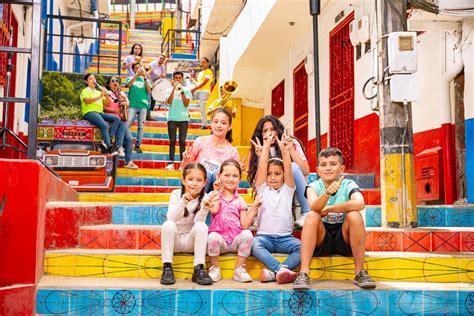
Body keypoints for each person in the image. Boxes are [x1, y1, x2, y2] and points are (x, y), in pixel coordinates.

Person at [292, 147, 376, 290]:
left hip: (344, 237)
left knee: (354, 215)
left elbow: (360, 203)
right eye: (323, 165)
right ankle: (304, 273)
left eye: (333, 164)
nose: (328, 168)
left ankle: (360, 272)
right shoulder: (313, 186)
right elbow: (314, 207)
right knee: (312, 216)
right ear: (318, 170)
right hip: (321, 237)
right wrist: (326, 194)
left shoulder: (349, 184)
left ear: (342, 168)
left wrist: (331, 208)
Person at [250, 130, 301, 284]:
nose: (272, 177)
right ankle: (280, 269)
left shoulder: (288, 190)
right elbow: (263, 165)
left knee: (304, 247)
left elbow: (289, 169)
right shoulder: (262, 189)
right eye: (269, 174)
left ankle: (275, 272)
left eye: (277, 174)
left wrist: (285, 151)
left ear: (283, 175)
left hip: (286, 238)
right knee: (253, 244)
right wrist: (266, 147)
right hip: (264, 238)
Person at [160, 162, 218, 286]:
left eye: (199, 180)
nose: (194, 183)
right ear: (184, 180)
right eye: (190, 179)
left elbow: (198, 222)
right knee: (167, 225)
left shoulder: (205, 197)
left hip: (190, 242)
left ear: (204, 183)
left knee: (202, 226)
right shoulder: (175, 194)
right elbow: (171, 218)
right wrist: (183, 202)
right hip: (174, 242)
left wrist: (204, 208)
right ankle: (167, 268)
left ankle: (198, 269)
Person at [248, 115, 310, 227]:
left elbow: (305, 171)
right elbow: (257, 182)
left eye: (272, 129)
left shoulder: (291, 142)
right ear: (260, 134)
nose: (269, 133)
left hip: (291, 188)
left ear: (278, 130)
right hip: (268, 192)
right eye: (265, 131)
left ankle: (306, 212)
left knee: (294, 167)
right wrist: (260, 156)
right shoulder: (257, 147)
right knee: (268, 172)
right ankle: (263, 214)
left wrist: (290, 149)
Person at [207, 159, 261, 283]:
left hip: (235, 241)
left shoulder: (240, 200)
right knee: (212, 237)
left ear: (240, 178)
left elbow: (245, 225)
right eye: (226, 175)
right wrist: (216, 191)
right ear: (219, 176)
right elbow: (214, 210)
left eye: (235, 176)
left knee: (247, 234)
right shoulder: (214, 195)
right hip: (221, 242)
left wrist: (254, 208)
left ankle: (239, 269)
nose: (231, 179)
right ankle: (215, 268)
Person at [182, 108, 240, 193]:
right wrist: (186, 160)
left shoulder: (233, 153)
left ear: (229, 127)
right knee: (205, 173)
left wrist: (237, 170)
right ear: (211, 124)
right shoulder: (201, 142)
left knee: (217, 173)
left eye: (223, 123)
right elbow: (185, 171)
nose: (219, 125)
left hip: (218, 195)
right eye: (216, 122)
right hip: (195, 192)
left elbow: (233, 183)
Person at [80, 74, 120, 155]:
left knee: (116, 119)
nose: (93, 80)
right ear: (86, 82)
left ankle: (108, 138)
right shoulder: (85, 91)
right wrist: (100, 96)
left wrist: (106, 94)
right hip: (89, 112)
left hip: (100, 113)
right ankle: (109, 147)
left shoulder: (98, 92)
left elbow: (106, 102)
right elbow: (87, 101)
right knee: (104, 125)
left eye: (94, 78)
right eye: (90, 79)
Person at [104, 76, 138, 169]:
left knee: (130, 140)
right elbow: (104, 108)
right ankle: (119, 147)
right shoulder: (107, 94)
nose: (115, 82)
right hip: (112, 119)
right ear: (109, 84)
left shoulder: (121, 93)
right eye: (112, 81)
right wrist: (115, 111)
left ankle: (127, 161)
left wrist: (125, 102)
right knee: (123, 124)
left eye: (116, 81)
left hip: (121, 119)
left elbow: (128, 102)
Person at [164, 71, 192, 170]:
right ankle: (170, 162)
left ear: (182, 79)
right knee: (172, 141)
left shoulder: (187, 90)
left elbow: (186, 104)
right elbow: (169, 102)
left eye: (179, 78)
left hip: (184, 118)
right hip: (172, 118)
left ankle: (182, 163)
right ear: (173, 79)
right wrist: (173, 89)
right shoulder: (168, 90)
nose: (178, 80)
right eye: (176, 78)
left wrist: (182, 91)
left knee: (182, 141)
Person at [126, 63, 152, 154]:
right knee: (128, 124)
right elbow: (128, 85)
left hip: (143, 106)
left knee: (141, 127)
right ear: (133, 70)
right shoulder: (129, 78)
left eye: (139, 68)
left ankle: (137, 145)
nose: (138, 69)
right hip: (132, 105)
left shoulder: (146, 80)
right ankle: (126, 143)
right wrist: (136, 75)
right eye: (136, 68)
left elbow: (149, 90)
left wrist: (145, 77)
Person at [191, 57, 213, 130]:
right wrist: (193, 78)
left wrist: (194, 89)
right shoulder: (200, 73)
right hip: (198, 92)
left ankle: (205, 125)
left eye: (204, 62)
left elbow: (203, 83)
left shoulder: (209, 71)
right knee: (185, 98)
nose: (202, 64)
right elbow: (198, 83)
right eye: (201, 62)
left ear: (207, 63)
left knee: (202, 108)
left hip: (204, 92)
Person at [148, 54, 167, 118]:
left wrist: (162, 76)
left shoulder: (163, 67)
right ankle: (146, 113)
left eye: (163, 59)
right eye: (161, 58)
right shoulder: (152, 64)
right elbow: (147, 74)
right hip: (149, 81)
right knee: (148, 98)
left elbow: (162, 75)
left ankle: (150, 112)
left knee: (154, 98)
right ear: (158, 58)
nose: (161, 60)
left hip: (156, 83)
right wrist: (151, 83)